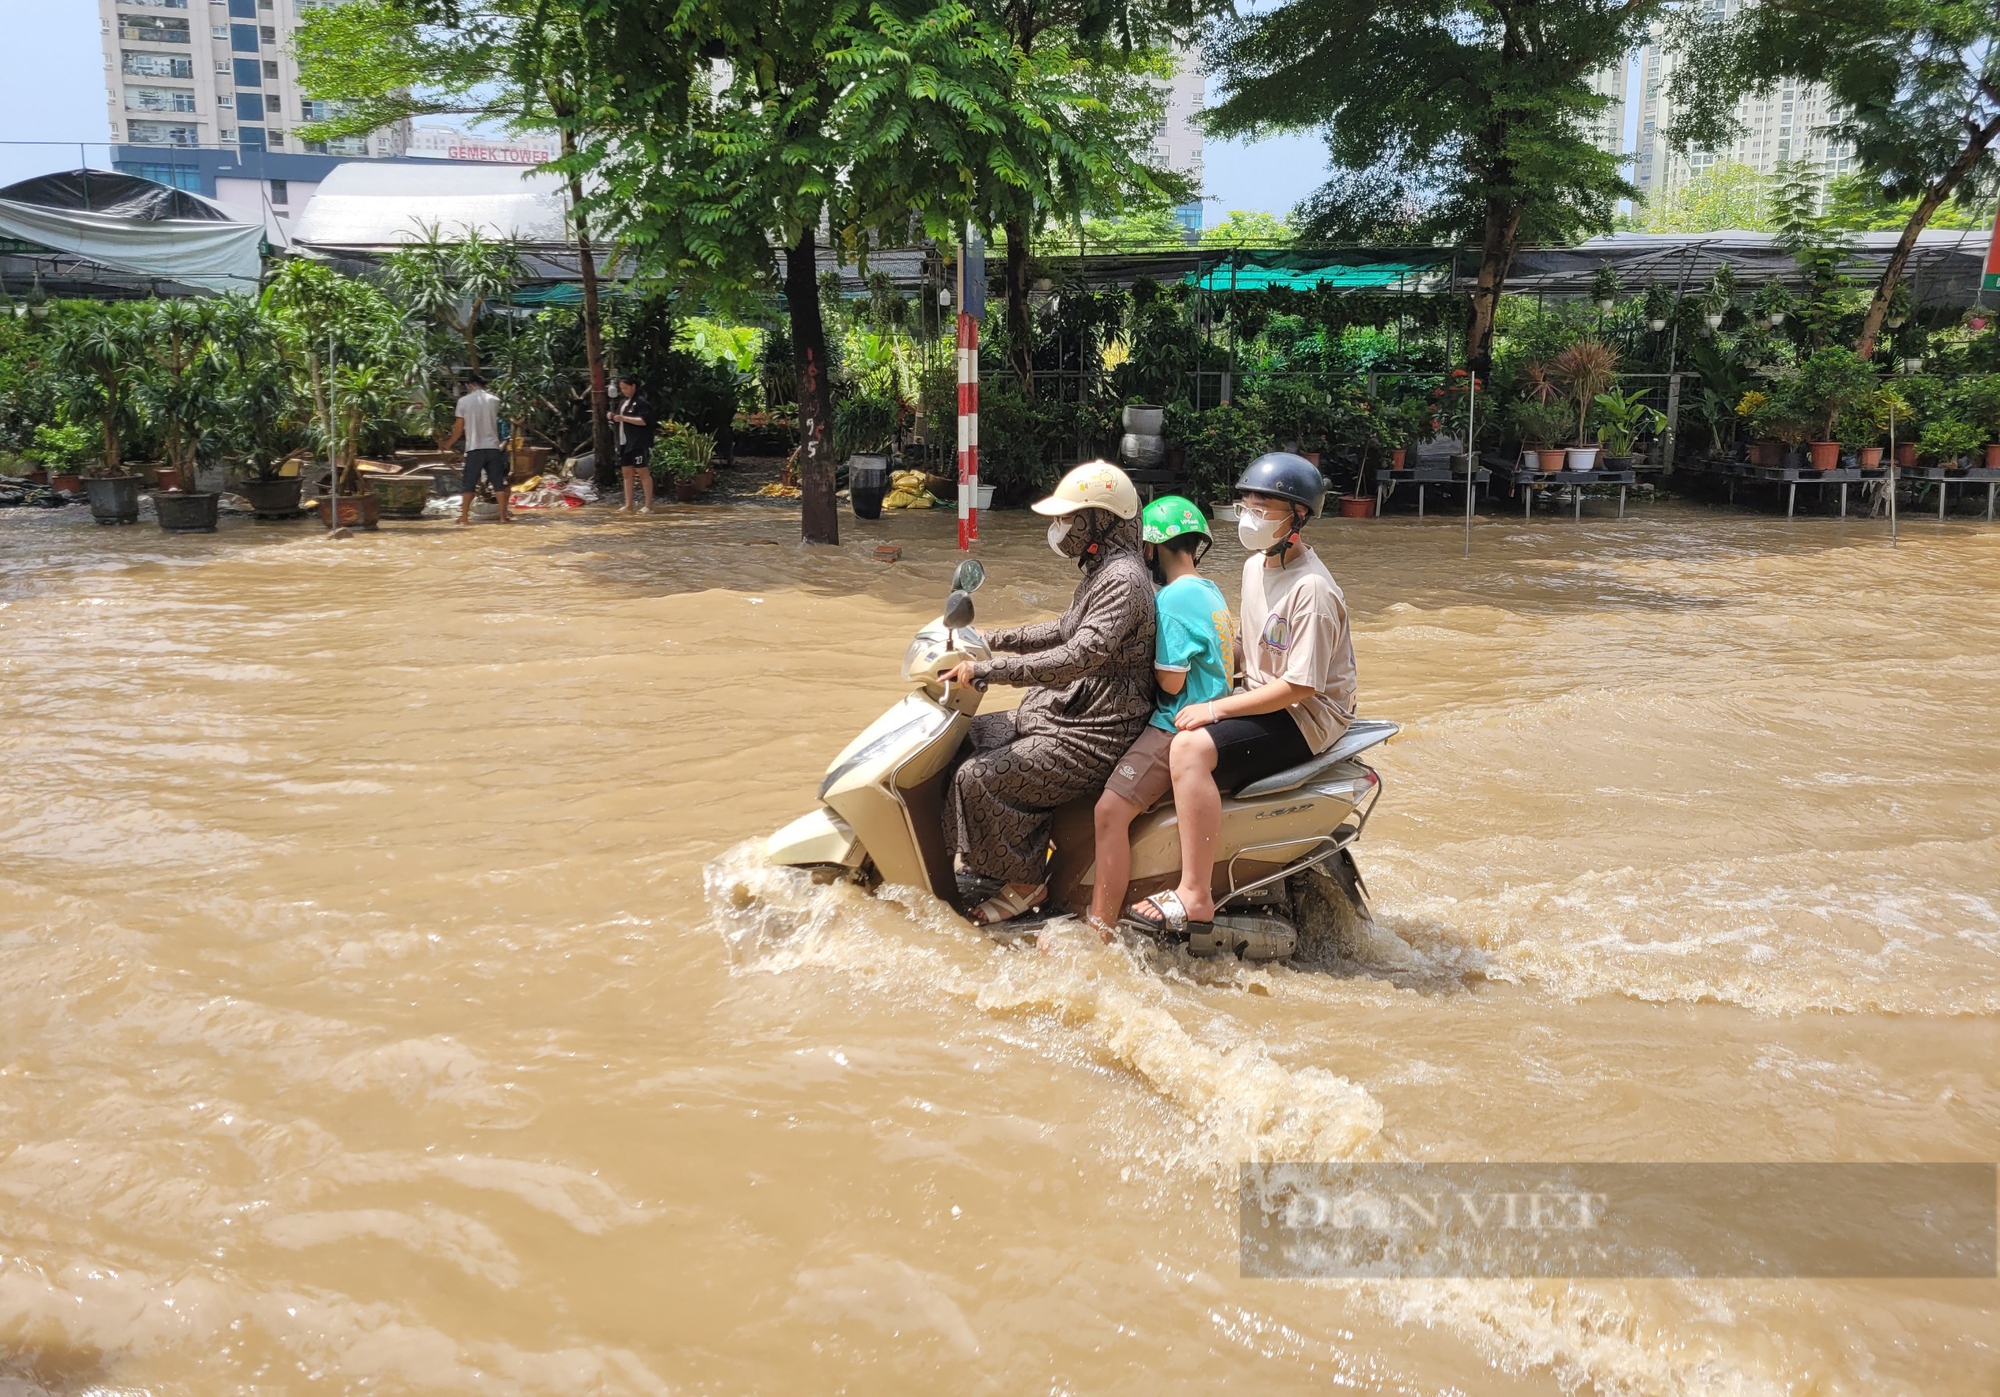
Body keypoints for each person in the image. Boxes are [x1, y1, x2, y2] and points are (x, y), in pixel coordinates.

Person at [1126, 453, 1357, 939]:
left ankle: (1195, 893)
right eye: (1246, 504)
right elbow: (1240, 649)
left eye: (1265, 508)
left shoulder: (1312, 590)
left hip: (1305, 715)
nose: (1250, 516)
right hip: (1262, 691)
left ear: (1298, 518)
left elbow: (1300, 685)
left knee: (1189, 748)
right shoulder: (1256, 567)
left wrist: (1213, 707)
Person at [938, 461, 1155, 927]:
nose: (1059, 529)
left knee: (980, 777)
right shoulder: (1103, 570)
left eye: (1068, 518)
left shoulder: (1123, 580)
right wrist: (993, 638)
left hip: (1096, 731)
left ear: (1102, 520)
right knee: (962, 741)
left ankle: (1025, 880)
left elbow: (1079, 655)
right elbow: (1061, 628)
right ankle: (985, 861)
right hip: (1068, 713)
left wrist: (991, 671)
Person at [1088, 496, 1232, 934]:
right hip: (1211, 715)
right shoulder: (1209, 589)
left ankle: (1099, 930)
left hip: (1176, 722)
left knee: (1109, 811)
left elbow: (1170, 682)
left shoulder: (1171, 599)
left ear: (1150, 549)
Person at [446, 373, 511, 526]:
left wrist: (448, 444)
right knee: (498, 483)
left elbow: (458, 429)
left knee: (468, 483)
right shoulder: (494, 400)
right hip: (493, 448)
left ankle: (464, 517)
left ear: (469, 385)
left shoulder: (463, 401)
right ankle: (502, 516)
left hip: (474, 448)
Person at [608, 375, 657, 513]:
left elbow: (643, 421)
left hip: (638, 442)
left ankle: (648, 505)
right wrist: (613, 417)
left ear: (633, 386)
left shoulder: (641, 402)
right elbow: (619, 418)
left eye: (626, 388)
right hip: (624, 442)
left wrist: (623, 418)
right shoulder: (623, 402)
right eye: (621, 388)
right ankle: (628, 504)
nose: (624, 391)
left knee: (642, 471)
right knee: (626, 473)